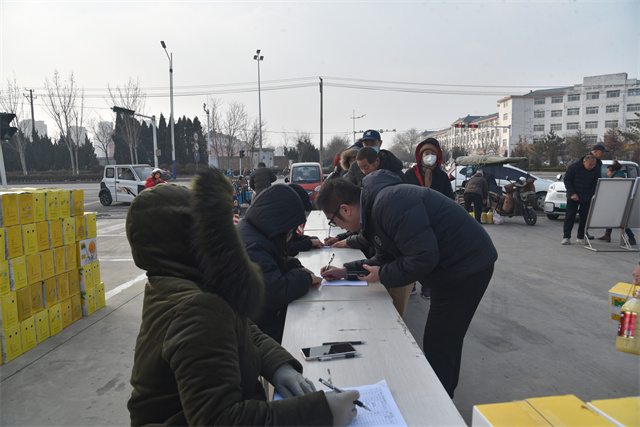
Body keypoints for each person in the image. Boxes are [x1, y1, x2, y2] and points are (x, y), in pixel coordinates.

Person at [126, 172, 358, 426]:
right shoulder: (196, 308)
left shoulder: (182, 283)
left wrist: (278, 366)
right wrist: (319, 412)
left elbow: (244, 328)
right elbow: (223, 420)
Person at [316, 171, 497, 398]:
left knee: (440, 342)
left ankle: (440, 403)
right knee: (444, 339)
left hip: (466, 265)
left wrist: (383, 274)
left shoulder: (390, 205)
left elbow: (423, 259)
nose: (337, 226)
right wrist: (345, 271)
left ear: (345, 210)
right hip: (450, 264)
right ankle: (443, 394)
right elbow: (386, 257)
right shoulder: (374, 210)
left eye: (333, 221)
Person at [237, 184, 323, 343]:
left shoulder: (255, 231)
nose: (291, 233)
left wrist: (294, 265)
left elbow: (273, 262)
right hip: (256, 332)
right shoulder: (253, 246)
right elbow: (276, 292)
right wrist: (305, 278)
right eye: (291, 229)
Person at [405, 137, 455, 299]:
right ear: (420, 155)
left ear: (438, 155)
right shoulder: (411, 174)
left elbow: (449, 198)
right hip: (413, 220)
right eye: (426, 153)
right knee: (412, 253)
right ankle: (411, 284)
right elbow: (402, 195)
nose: (429, 156)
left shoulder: (442, 176)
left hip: (435, 221)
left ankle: (428, 285)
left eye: (432, 153)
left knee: (433, 254)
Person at [561, 154, 600, 245]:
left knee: (584, 217)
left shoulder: (596, 168)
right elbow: (567, 180)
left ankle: (581, 236)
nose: (592, 166)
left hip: (587, 196)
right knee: (570, 216)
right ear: (584, 162)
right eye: (590, 164)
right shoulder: (574, 167)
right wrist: (572, 193)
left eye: (594, 164)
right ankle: (566, 237)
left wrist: (592, 194)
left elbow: (596, 182)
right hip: (573, 195)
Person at [597, 161, 636, 245]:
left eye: (608, 172)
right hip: (619, 202)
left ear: (613, 171)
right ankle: (607, 234)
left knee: (620, 221)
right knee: (612, 218)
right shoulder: (620, 176)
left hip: (619, 203)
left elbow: (615, 192)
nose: (607, 174)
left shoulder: (617, 179)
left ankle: (631, 237)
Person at [287, 183, 323, 256]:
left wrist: (309, 238)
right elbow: (284, 248)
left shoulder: (285, 221)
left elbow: (292, 236)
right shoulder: (273, 225)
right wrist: (309, 243)